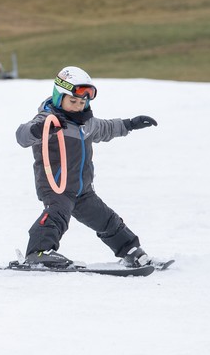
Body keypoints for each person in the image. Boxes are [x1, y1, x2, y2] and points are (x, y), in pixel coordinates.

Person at [15, 66, 159, 268]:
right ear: (59, 97)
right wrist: (39, 130)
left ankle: (131, 252)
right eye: (72, 101)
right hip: (57, 187)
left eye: (82, 102)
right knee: (57, 215)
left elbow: (107, 128)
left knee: (107, 220)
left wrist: (130, 124)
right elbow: (22, 136)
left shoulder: (86, 123)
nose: (77, 106)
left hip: (83, 190)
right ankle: (38, 252)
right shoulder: (46, 120)